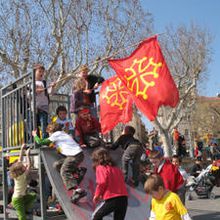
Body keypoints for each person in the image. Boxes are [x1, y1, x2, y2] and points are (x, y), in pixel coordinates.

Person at [32, 123, 87, 203]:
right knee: (57, 165)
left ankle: (78, 191)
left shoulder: (56, 134)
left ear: (51, 131)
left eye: (49, 133)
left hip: (74, 155)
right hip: (75, 155)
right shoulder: (62, 134)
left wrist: (35, 135)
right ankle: (78, 171)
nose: (49, 135)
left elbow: (40, 142)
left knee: (64, 171)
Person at [91, 148, 128, 220]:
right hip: (124, 199)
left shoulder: (101, 168)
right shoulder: (116, 168)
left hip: (112, 199)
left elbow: (102, 182)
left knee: (96, 216)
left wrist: (97, 195)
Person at [10, 144, 36, 220]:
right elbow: (30, 165)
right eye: (23, 166)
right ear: (21, 170)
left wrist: (22, 149)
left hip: (20, 198)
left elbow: (19, 160)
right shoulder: (23, 176)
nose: (25, 165)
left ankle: (24, 208)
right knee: (22, 217)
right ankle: (22, 209)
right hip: (17, 200)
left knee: (33, 195)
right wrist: (27, 155)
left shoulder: (17, 175)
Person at [34, 63, 55, 138]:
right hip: (34, 107)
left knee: (44, 124)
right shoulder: (31, 83)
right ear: (35, 72)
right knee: (34, 125)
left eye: (42, 72)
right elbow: (27, 94)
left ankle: (45, 141)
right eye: (39, 71)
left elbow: (50, 93)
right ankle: (36, 142)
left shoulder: (44, 82)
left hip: (44, 107)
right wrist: (35, 91)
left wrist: (52, 87)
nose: (41, 73)